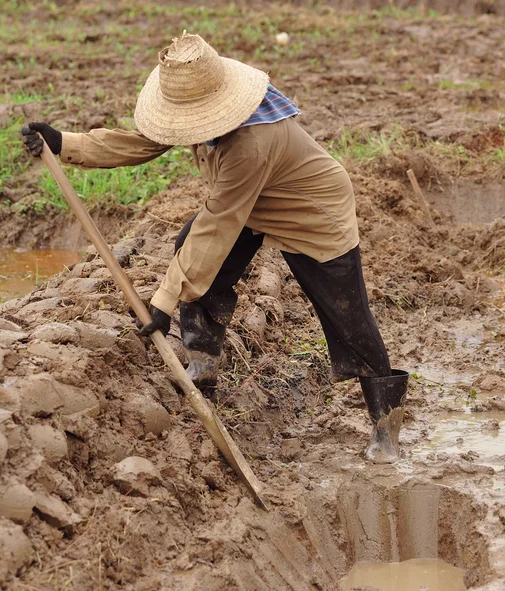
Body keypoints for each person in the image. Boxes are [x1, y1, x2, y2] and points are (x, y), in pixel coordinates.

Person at [21, 32, 409, 464]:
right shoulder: (200, 108)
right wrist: (66, 143)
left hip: (312, 212)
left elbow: (218, 223)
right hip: (251, 203)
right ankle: (204, 360)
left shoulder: (251, 143)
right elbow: (145, 142)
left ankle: (385, 423)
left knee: (347, 314)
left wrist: (163, 301)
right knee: (194, 249)